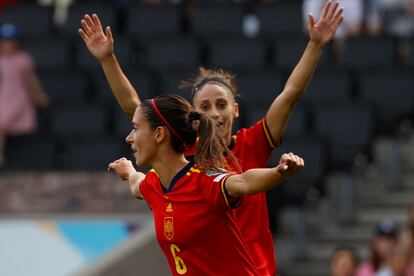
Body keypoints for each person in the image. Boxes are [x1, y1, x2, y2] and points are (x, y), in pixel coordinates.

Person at [79, 1, 343, 274]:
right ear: (193, 115)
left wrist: (315, 46)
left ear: (235, 110)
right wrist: (107, 59)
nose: (215, 114)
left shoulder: (250, 144)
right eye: (205, 107)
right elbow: (139, 115)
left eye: (221, 104)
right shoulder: (182, 159)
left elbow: (289, 95)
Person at [108, 94, 304, 275]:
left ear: (159, 134)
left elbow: (244, 181)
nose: (129, 137)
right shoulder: (153, 184)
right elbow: (137, 185)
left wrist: (278, 172)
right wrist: (129, 171)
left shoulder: (203, 180)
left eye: (135, 128)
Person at [0, 23, 49, 167]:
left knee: (2, 125)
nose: (7, 45)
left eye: (10, 42)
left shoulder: (23, 59)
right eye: (4, 41)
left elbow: (31, 80)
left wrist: (39, 94)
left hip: (17, 97)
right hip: (4, 95)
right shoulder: (1, 59)